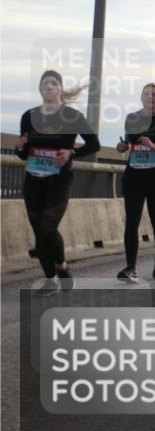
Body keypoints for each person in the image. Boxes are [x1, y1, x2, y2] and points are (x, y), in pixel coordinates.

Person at [15, 71, 100, 295]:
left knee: (47, 225)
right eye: (45, 83)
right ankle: (51, 279)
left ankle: (61, 266)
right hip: (33, 180)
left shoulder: (72, 116)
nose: (49, 86)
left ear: (60, 89)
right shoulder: (29, 116)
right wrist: (19, 147)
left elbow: (94, 145)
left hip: (59, 180)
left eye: (53, 83)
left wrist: (72, 152)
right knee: (39, 229)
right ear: (40, 88)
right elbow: (24, 153)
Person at [115, 83, 155, 282]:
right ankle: (131, 267)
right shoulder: (133, 118)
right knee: (131, 221)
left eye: (154, 94)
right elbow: (129, 143)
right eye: (147, 94)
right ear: (141, 97)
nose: (150, 97)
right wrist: (123, 146)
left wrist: (153, 145)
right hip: (134, 175)